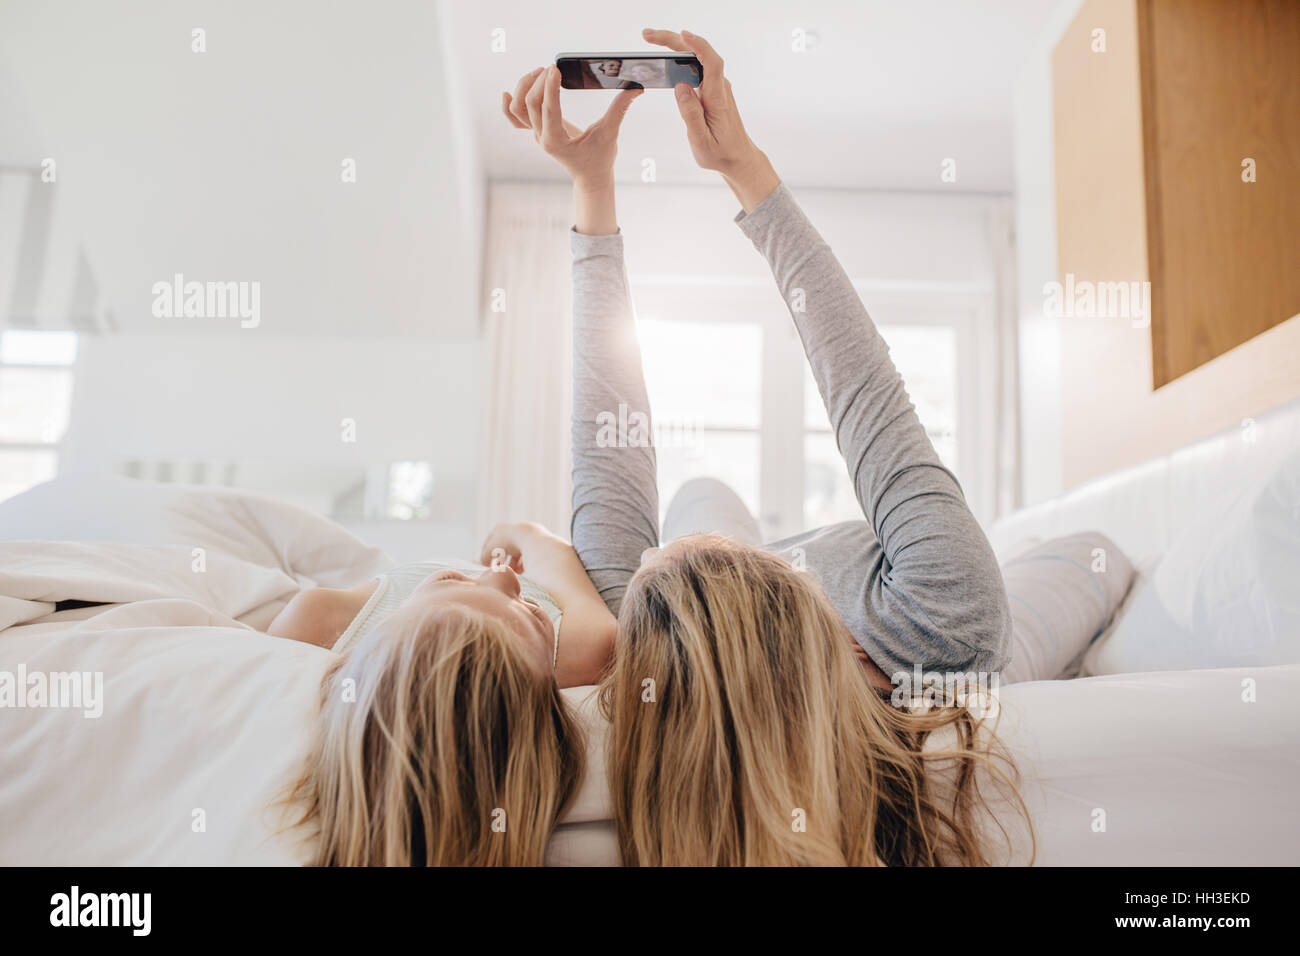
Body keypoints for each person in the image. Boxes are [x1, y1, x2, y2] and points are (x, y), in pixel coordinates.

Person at [502, 27, 1030, 865]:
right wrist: (744, 168)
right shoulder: (945, 614)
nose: (649, 556)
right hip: (897, 603)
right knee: (1083, 553)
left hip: (731, 614)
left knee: (699, 486)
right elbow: (864, 388)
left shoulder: (642, 628)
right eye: (671, 558)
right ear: (778, 588)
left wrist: (592, 188)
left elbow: (612, 443)